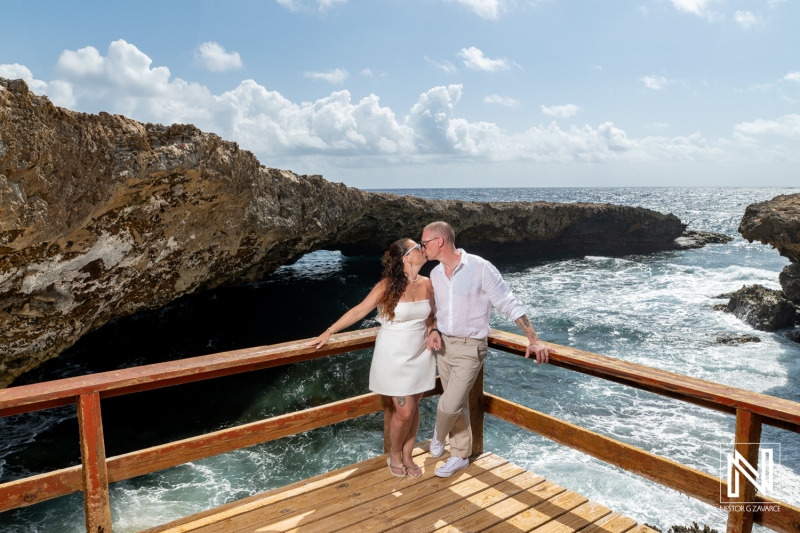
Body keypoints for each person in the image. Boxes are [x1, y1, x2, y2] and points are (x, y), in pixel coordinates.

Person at [421, 221, 550, 478]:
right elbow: (436, 311)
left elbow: (508, 302)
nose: (422, 247)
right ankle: (459, 456)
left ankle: (438, 435)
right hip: (444, 346)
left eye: (424, 243)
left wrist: (533, 339)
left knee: (448, 405)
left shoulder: (480, 268)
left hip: (471, 348)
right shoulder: (435, 274)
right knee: (458, 405)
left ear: (439, 241)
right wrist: (433, 330)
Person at [307, 238, 436, 478]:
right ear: (406, 257)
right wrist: (329, 331)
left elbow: (431, 318)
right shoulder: (387, 285)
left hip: (421, 353)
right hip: (394, 355)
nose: (422, 248)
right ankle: (395, 454)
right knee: (404, 411)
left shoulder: (428, 284)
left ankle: (408, 455)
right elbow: (359, 310)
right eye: (417, 246)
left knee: (414, 406)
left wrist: (434, 332)